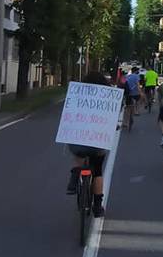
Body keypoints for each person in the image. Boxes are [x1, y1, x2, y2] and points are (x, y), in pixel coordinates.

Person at [65, 71, 111, 217]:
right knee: (97, 170)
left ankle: (74, 177)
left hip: (79, 139)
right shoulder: (107, 100)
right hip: (98, 140)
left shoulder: (78, 96)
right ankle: (97, 206)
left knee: (77, 152)